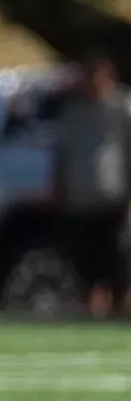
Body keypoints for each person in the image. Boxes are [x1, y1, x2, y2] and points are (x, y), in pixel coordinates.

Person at [52, 54, 131, 318]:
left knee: (115, 255)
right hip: (81, 198)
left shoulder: (122, 108)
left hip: (113, 196)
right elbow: (61, 154)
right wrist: (59, 188)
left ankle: (119, 305)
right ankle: (89, 304)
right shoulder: (73, 112)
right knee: (84, 256)